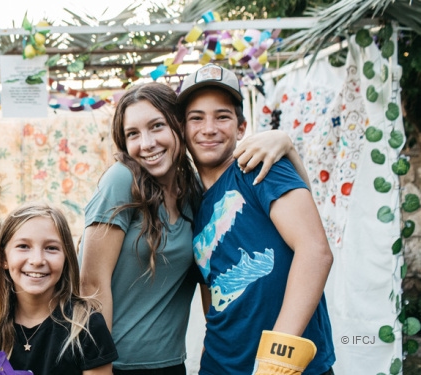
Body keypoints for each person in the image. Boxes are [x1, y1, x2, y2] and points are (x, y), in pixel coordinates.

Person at [79, 82, 306, 375]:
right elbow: (90, 284)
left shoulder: (194, 194)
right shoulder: (122, 181)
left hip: (171, 364)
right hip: (116, 365)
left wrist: (286, 144)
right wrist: (99, 370)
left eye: (156, 126)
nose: (146, 143)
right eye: (132, 134)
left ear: (178, 127)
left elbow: (210, 277)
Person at [178, 63, 335, 375]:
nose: (208, 128)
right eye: (196, 118)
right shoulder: (189, 204)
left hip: (288, 366)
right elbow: (212, 291)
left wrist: (278, 361)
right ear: (182, 129)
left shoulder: (259, 166)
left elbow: (315, 251)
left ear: (240, 128)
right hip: (220, 366)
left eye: (222, 116)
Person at [0, 202, 118, 375]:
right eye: (23, 246)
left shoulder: (87, 325)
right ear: (3, 258)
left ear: (66, 259)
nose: (37, 260)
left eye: (51, 248)